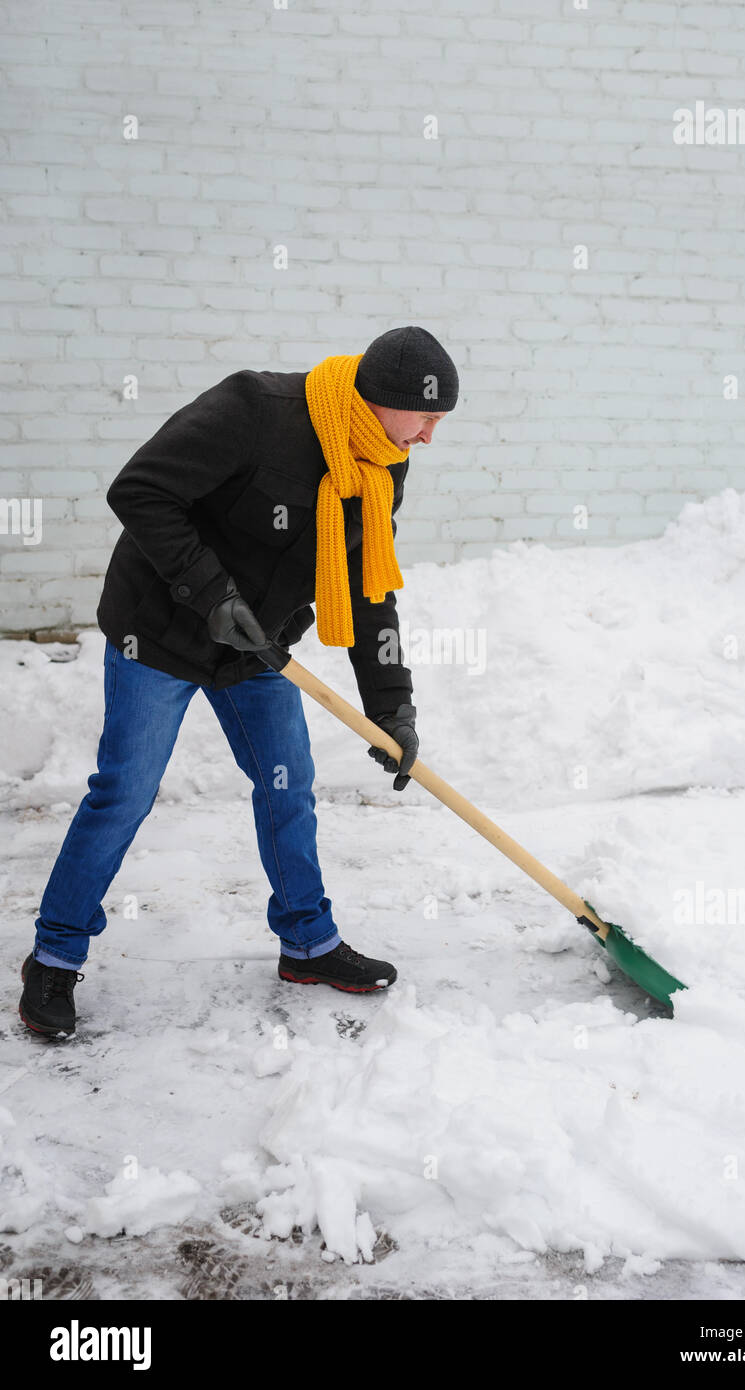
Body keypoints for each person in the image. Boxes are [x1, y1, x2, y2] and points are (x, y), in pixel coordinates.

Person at [18, 326, 459, 1037]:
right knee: (124, 793)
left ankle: (307, 944)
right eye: (427, 418)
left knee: (288, 786)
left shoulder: (382, 463)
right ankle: (54, 955)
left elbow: (368, 586)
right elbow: (140, 490)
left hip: (259, 649)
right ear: (381, 400)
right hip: (158, 631)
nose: (430, 437)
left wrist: (392, 707)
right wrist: (212, 594)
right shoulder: (255, 408)